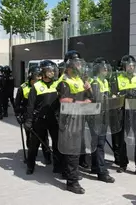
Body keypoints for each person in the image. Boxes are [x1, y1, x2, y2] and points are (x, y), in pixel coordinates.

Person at [56, 57, 92, 194]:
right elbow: (64, 100)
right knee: (72, 151)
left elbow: (90, 98)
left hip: (79, 117)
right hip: (68, 119)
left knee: (74, 150)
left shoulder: (79, 79)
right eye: (77, 65)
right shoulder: (64, 81)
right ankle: (72, 182)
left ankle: (69, 174)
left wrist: (89, 89)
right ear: (70, 67)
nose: (79, 67)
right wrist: (82, 102)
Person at [111, 54, 136, 179]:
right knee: (121, 139)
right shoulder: (117, 78)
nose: (131, 68)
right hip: (122, 112)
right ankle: (122, 163)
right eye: (128, 65)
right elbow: (114, 96)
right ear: (123, 66)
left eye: (133, 65)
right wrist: (124, 95)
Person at [24, 60, 60, 175]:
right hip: (39, 120)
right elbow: (30, 106)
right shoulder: (36, 86)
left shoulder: (56, 85)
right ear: (43, 72)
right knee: (34, 145)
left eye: (53, 71)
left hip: (53, 119)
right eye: (49, 71)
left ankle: (57, 166)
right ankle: (30, 166)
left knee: (57, 143)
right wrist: (28, 121)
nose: (52, 73)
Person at [89, 57, 115, 183]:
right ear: (97, 69)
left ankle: (95, 166)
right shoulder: (95, 82)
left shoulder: (104, 82)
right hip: (96, 116)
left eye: (106, 68)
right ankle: (102, 172)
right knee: (99, 143)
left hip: (103, 115)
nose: (106, 70)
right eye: (103, 68)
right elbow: (97, 99)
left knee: (98, 142)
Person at [14, 66, 42, 148]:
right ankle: (31, 153)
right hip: (27, 114)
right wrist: (17, 115)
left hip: (39, 114)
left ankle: (46, 156)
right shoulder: (23, 87)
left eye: (40, 76)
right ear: (31, 76)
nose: (39, 78)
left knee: (42, 136)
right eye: (37, 76)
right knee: (29, 135)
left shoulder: (42, 85)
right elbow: (17, 103)